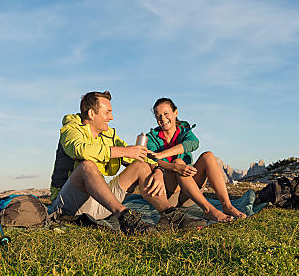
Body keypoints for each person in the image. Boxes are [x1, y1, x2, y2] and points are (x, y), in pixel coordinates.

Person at [50, 91, 206, 234]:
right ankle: (126, 218)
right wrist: (124, 151)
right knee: (87, 166)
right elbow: (80, 150)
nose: (111, 117)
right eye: (107, 112)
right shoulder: (71, 129)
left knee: (140, 165)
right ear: (91, 113)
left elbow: (137, 156)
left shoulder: (109, 135)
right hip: (68, 206)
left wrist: (158, 169)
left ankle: (169, 215)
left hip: (100, 203)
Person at [146, 97, 247, 221]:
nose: (162, 119)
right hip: (171, 196)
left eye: (166, 114)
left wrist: (161, 154)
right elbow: (153, 161)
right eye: (158, 116)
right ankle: (208, 210)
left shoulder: (184, 130)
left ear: (175, 113)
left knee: (208, 156)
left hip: (190, 194)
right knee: (178, 162)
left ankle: (227, 205)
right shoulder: (151, 137)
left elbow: (193, 143)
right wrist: (175, 167)